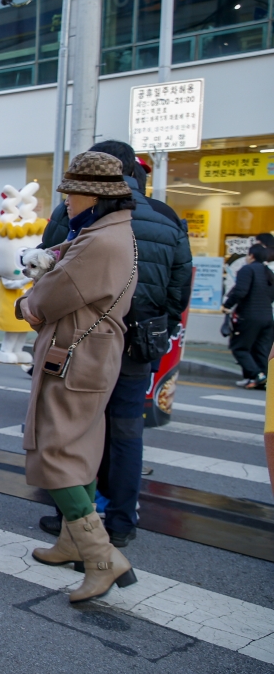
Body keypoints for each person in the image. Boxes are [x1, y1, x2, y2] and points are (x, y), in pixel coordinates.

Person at [37, 140, 192, 547]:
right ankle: (122, 521)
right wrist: (158, 324)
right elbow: (179, 289)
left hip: (82, 339)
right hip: (139, 341)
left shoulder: (81, 216)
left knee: (73, 431)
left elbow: (47, 267)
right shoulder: (165, 216)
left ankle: (73, 526)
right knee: (125, 430)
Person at [22, 152, 139, 603]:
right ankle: (72, 541)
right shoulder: (111, 231)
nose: (67, 200)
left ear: (95, 196)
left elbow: (47, 299)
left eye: (72, 193)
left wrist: (26, 302)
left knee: (55, 452)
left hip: (75, 356)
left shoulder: (99, 241)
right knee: (81, 448)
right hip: (91, 355)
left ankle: (100, 557)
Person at [223, 244, 273, 389]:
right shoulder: (268, 271)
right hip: (267, 316)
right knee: (261, 349)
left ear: (251, 256)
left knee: (239, 347)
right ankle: (263, 379)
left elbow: (240, 291)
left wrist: (227, 305)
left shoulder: (247, 269)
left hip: (250, 316)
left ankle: (257, 375)